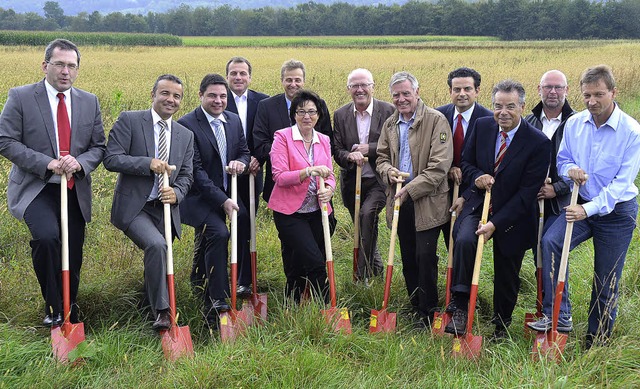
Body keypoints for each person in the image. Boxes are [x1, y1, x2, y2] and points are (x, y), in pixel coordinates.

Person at [527, 65, 640, 349]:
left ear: (613, 92)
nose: (592, 101)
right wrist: (571, 169)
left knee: (606, 278)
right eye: (587, 95)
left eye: (599, 94)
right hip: (582, 202)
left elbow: (620, 185)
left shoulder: (632, 132)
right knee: (550, 242)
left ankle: (597, 341)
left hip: (616, 212)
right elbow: (563, 161)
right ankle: (559, 316)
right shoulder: (575, 123)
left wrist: (586, 211)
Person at [0, 39, 106, 327]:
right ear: (45, 65)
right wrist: (45, 163)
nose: (65, 71)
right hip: (37, 187)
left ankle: (69, 309)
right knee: (47, 238)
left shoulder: (89, 101)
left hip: (74, 187)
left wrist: (80, 162)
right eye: (59, 64)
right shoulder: (21, 97)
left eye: (72, 66)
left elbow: (99, 147)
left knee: (72, 250)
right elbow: (5, 140)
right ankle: (53, 308)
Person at [444, 80, 550, 338]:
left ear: (523, 106)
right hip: (479, 202)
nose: (503, 112)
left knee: (506, 269)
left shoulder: (538, 143)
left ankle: (501, 325)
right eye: (498, 106)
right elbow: (466, 162)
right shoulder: (482, 126)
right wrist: (478, 176)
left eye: (510, 106)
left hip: (513, 214)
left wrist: (496, 224)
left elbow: (526, 194)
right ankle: (460, 303)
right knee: (466, 240)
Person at [103, 74, 194, 331]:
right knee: (156, 245)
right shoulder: (130, 120)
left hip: (164, 208)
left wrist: (178, 193)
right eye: (165, 93)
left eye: (176, 96)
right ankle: (163, 313)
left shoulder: (185, 135)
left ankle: (148, 302)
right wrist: (147, 163)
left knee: (160, 253)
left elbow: (187, 174)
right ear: (153, 94)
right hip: (135, 207)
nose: (170, 100)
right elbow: (111, 158)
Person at [376, 71, 453, 327]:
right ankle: (415, 305)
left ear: (417, 93)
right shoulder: (390, 124)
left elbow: (439, 166)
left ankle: (430, 310)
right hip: (400, 200)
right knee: (408, 255)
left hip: (428, 201)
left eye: (406, 93)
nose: (401, 99)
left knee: (425, 256)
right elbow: (381, 157)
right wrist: (388, 171)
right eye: (396, 95)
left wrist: (410, 189)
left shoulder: (436, 120)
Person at [178, 74, 250, 324]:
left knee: (217, 234)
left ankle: (201, 282)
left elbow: (244, 151)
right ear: (200, 96)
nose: (218, 101)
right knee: (219, 233)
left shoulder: (233, 120)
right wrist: (223, 201)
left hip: (226, 192)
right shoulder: (187, 124)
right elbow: (195, 172)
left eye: (222, 96)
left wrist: (240, 163)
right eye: (212, 96)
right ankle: (217, 299)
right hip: (199, 198)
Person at [268, 89, 335, 303]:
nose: (307, 116)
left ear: (319, 114)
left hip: (317, 211)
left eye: (312, 111)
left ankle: (293, 301)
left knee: (298, 261)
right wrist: (308, 171)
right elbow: (279, 176)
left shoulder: (323, 139)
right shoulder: (282, 137)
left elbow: (330, 174)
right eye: (301, 111)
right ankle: (326, 309)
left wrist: (330, 189)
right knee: (315, 262)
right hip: (290, 212)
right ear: (294, 114)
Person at [332, 68, 394, 281]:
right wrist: (349, 156)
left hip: (379, 180)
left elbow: (396, 145)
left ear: (373, 86)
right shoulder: (340, 114)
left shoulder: (389, 111)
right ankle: (375, 268)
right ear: (349, 89)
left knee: (367, 215)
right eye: (354, 86)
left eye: (364, 85)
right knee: (362, 226)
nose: (360, 90)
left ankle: (362, 275)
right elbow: (337, 149)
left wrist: (371, 149)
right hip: (352, 182)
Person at [253, 59, 333, 203]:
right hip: (281, 185)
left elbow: (327, 142)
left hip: (317, 188)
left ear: (304, 81)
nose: (293, 84)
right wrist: (288, 151)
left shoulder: (319, 105)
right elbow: (260, 146)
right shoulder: (266, 106)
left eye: (297, 80)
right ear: (282, 80)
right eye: (288, 80)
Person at [224, 56, 269, 296]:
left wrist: (257, 159)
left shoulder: (262, 101)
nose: (238, 77)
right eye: (234, 73)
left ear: (250, 77)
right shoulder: (219, 100)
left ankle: (244, 279)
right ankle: (218, 274)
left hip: (252, 172)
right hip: (225, 173)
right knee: (223, 225)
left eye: (243, 73)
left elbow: (264, 135)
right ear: (227, 77)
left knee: (247, 223)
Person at [436, 67, 493, 249]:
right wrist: (450, 166)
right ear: (450, 91)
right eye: (457, 89)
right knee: (446, 241)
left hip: (474, 191)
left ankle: (464, 277)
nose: (462, 94)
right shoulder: (438, 116)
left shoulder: (491, 120)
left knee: (464, 241)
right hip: (442, 187)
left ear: (477, 91)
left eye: (467, 89)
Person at [525, 70, 575, 231]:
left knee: (550, 244)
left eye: (558, 87)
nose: (553, 92)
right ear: (539, 89)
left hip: (562, 203)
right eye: (547, 87)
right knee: (535, 246)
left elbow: (584, 165)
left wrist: (556, 188)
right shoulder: (528, 122)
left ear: (566, 90)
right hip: (531, 199)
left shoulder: (577, 124)